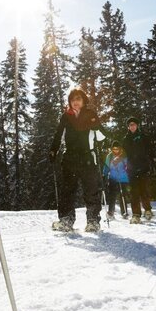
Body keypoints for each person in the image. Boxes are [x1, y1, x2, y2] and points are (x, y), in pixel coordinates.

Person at [50, 89, 106, 233]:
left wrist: (95, 126)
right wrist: (53, 149)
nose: (75, 102)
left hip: (87, 158)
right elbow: (58, 134)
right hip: (70, 158)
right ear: (70, 102)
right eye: (73, 99)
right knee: (67, 191)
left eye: (78, 99)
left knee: (91, 190)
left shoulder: (90, 114)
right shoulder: (66, 116)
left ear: (83, 101)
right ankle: (66, 220)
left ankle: (93, 221)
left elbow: (101, 136)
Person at [123, 116, 154, 223]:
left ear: (137, 125)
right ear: (128, 127)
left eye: (133, 124)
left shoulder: (143, 137)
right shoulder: (126, 139)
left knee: (144, 190)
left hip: (143, 166)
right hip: (131, 168)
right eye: (130, 125)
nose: (132, 127)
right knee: (134, 192)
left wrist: (152, 159)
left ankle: (148, 210)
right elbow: (124, 154)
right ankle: (136, 214)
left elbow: (150, 149)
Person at [102, 141, 130, 221]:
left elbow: (127, 165)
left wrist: (127, 168)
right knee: (112, 195)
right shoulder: (109, 156)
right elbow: (107, 166)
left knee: (123, 195)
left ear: (119, 148)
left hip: (123, 178)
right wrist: (104, 174)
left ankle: (124, 211)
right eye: (114, 149)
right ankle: (111, 212)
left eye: (117, 149)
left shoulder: (124, 155)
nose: (115, 150)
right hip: (113, 178)